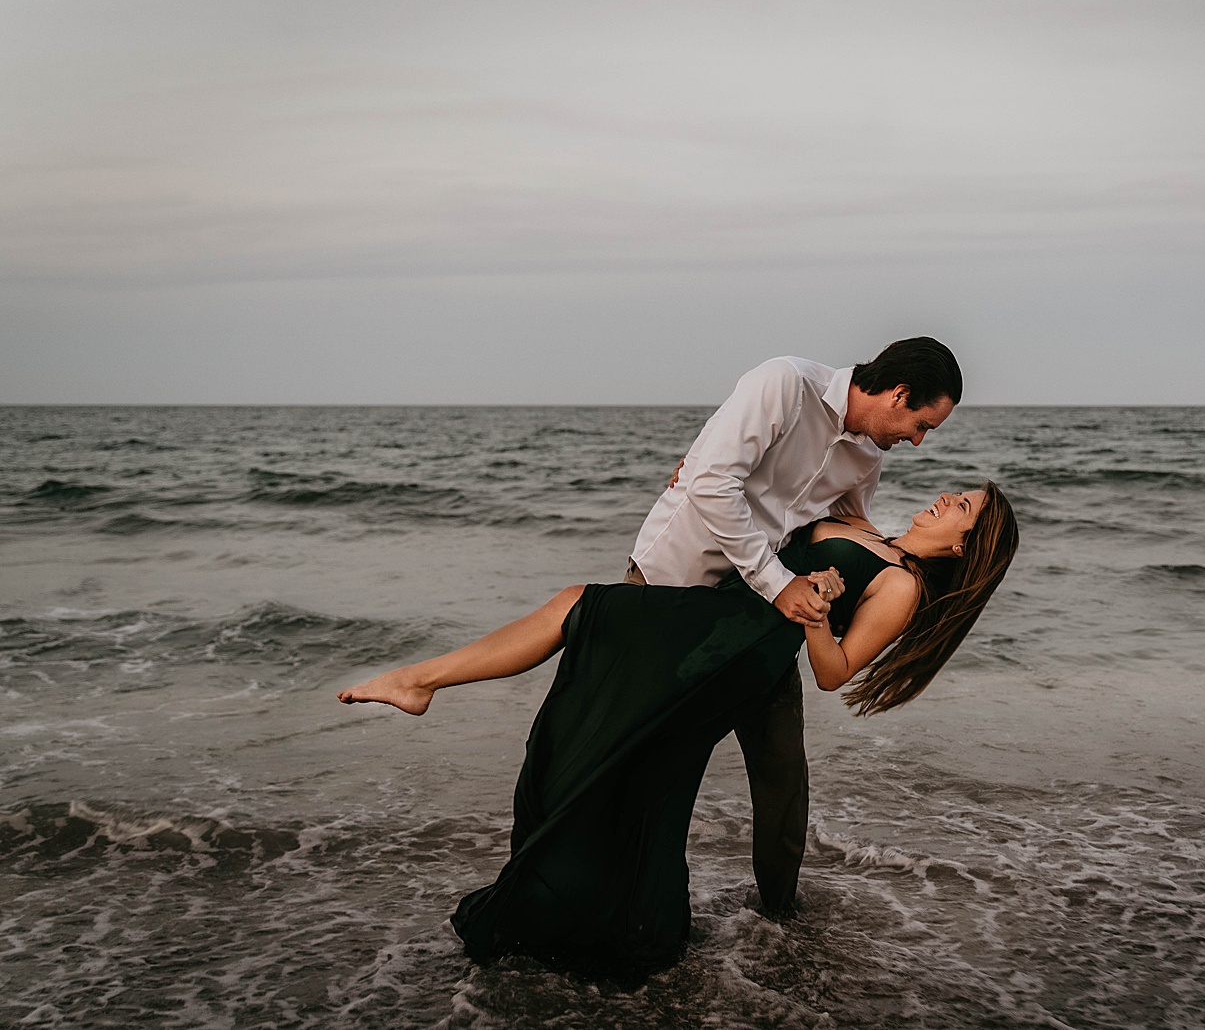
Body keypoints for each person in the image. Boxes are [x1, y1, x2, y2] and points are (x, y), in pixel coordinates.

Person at [337, 481, 1019, 970]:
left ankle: (419, 681)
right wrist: (697, 485)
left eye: (963, 507)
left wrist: (813, 617)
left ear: (964, 544)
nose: (946, 497)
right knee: (634, 752)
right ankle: (617, 915)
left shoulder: (900, 583)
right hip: (713, 619)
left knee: (582, 607)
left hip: (736, 649)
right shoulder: (865, 523)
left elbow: (836, 671)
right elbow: (779, 492)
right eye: (958, 491)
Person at [624, 337, 963, 917]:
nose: (918, 441)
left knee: (782, 772)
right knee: (649, 757)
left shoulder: (867, 457)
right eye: (922, 424)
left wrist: (868, 585)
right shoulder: (785, 383)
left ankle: (781, 918)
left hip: (761, 622)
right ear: (900, 394)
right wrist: (780, 581)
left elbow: (844, 527)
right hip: (671, 585)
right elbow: (711, 484)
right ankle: (640, 904)